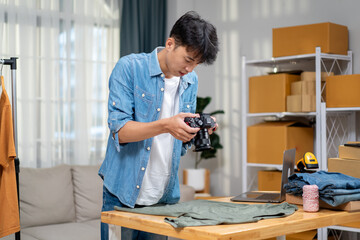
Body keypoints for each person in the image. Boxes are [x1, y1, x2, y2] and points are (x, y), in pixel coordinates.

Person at [99, 11, 219, 240]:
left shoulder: (190, 80)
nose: (190, 69)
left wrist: (196, 132)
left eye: (197, 64)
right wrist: (166, 125)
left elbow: (179, 141)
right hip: (122, 192)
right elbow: (120, 132)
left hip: (163, 196)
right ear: (170, 44)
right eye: (188, 60)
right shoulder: (130, 68)